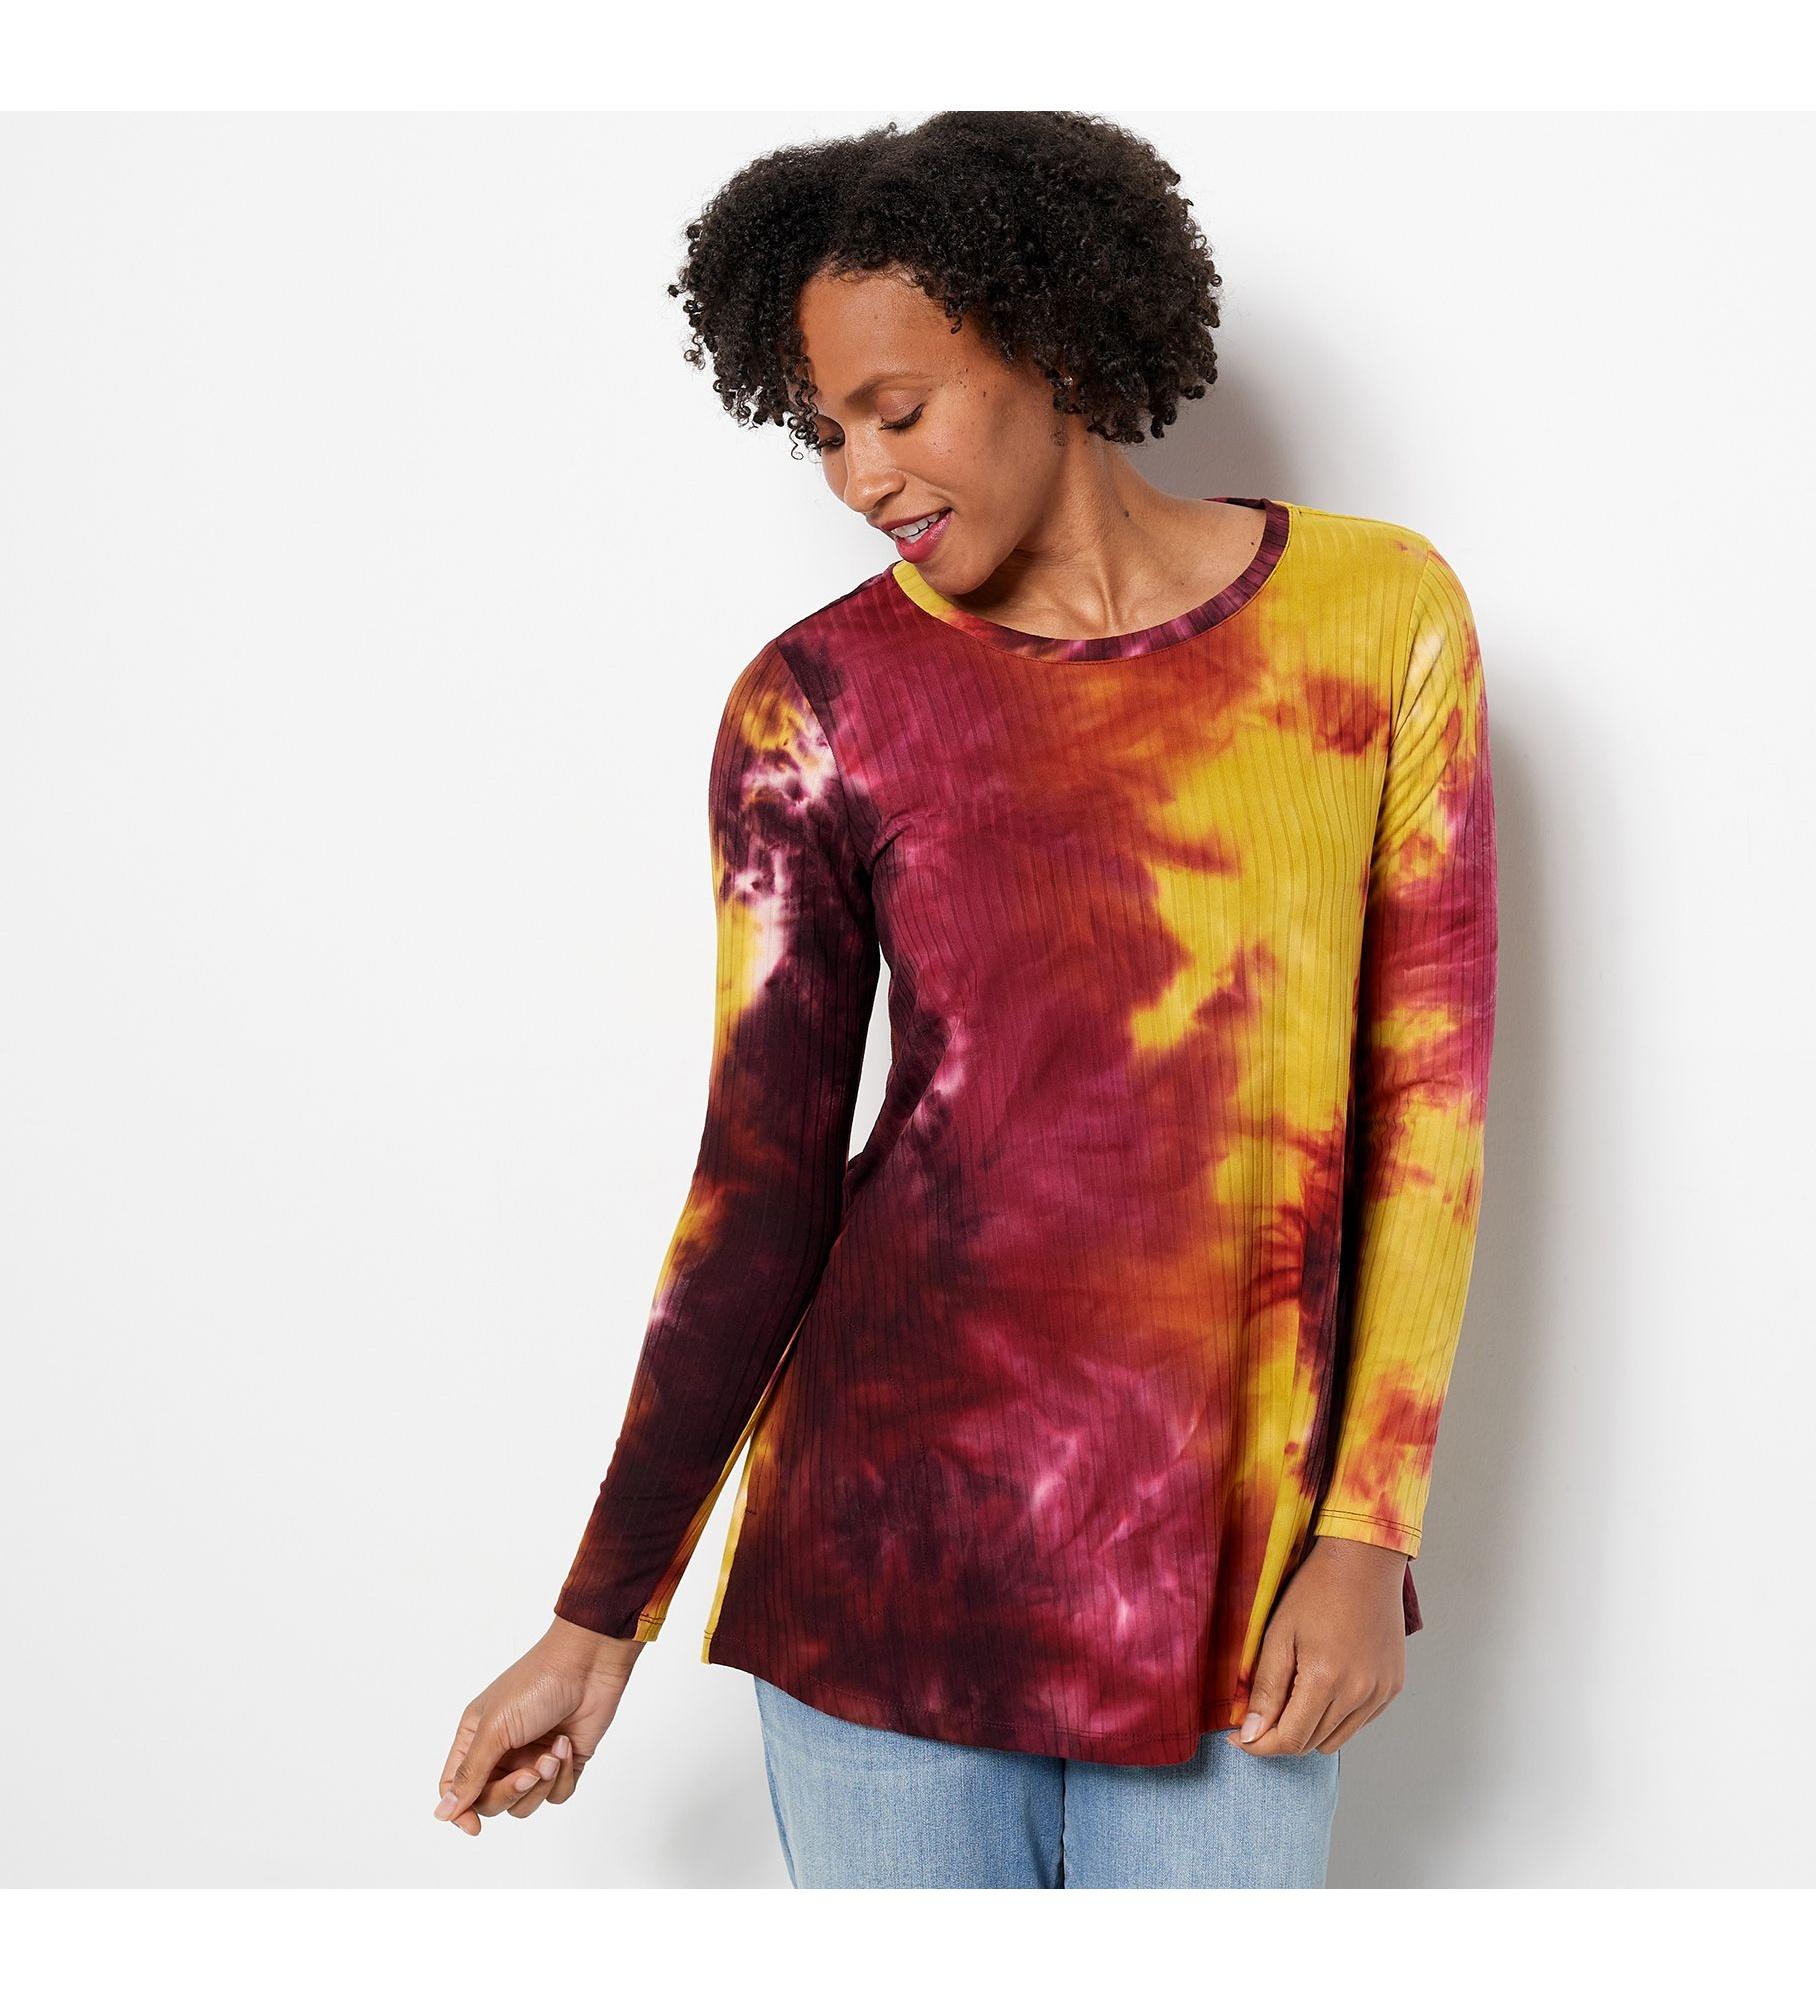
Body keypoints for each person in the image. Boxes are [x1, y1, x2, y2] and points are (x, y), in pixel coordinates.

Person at [433, 109, 1498, 1889]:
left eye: (898, 409)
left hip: (1232, 1586)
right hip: (882, 1570)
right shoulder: (817, 703)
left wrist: (1367, 1533)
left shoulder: (1374, 619)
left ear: (1049, 342)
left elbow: (1428, 1115)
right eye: (824, 430)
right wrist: (598, 1619)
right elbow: (761, 1190)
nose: (859, 475)